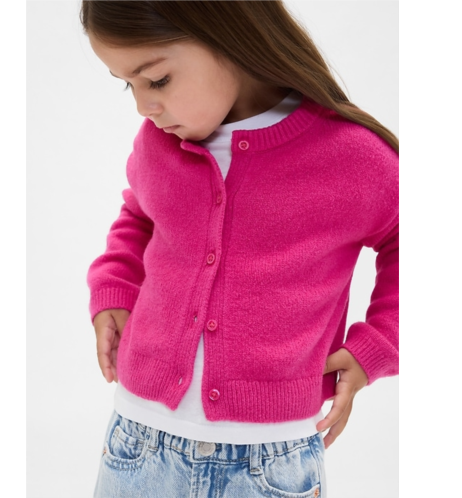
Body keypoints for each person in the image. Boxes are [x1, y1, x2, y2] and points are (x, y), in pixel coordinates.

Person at [81, 1, 399, 496]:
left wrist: (377, 347)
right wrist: (114, 288)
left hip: (269, 465)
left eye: (157, 80)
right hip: (136, 445)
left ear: (231, 37)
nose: (144, 107)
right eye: (129, 84)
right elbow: (140, 213)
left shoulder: (350, 157)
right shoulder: (158, 143)